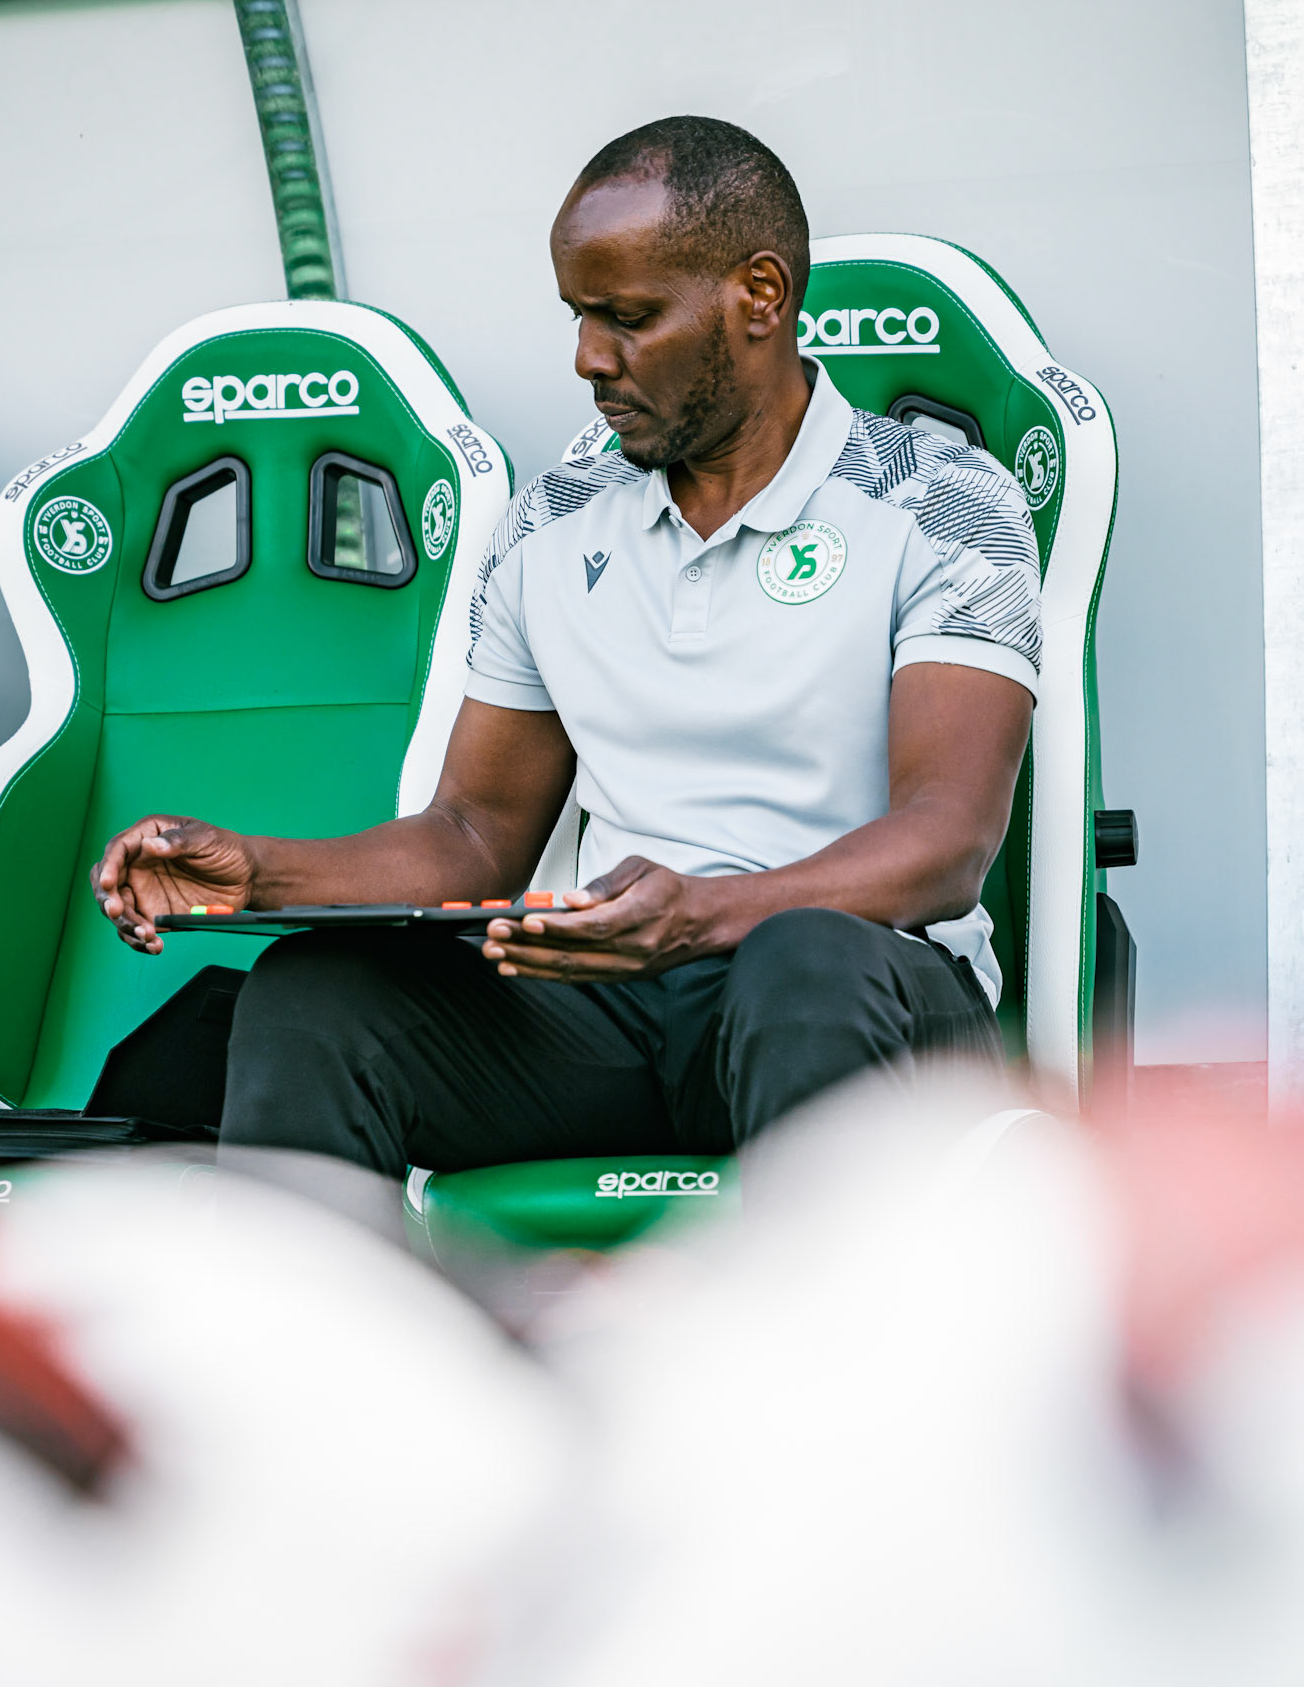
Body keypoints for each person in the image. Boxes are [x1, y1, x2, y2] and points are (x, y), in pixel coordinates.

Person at [91, 116, 1039, 1177]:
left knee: (800, 961)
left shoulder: (943, 501)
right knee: (316, 997)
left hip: (865, 991)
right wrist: (258, 874)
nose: (589, 357)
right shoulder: (552, 522)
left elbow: (947, 838)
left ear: (760, 296)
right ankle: (321, 1295)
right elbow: (473, 832)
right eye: (580, 315)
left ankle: (815, 1296)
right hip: (623, 999)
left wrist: (703, 914)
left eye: (628, 316)